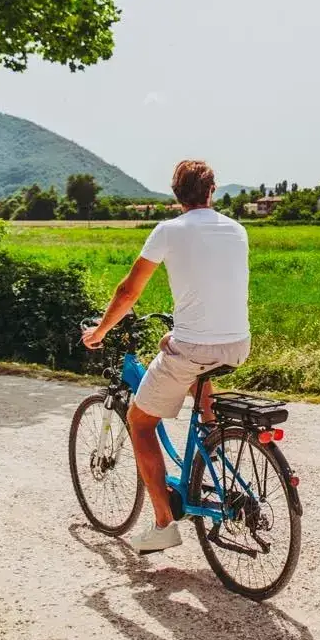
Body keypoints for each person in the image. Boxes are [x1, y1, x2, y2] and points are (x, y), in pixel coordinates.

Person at [81, 159, 250, 554]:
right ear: (213, 191)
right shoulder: (237, 229)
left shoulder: (168, 231)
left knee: (139, 422)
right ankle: (210, 434)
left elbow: (128, 292)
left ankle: (162, 525)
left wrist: (101, 331)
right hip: (238, 344)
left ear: (176, 195)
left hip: (195, 348)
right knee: (174, 346)